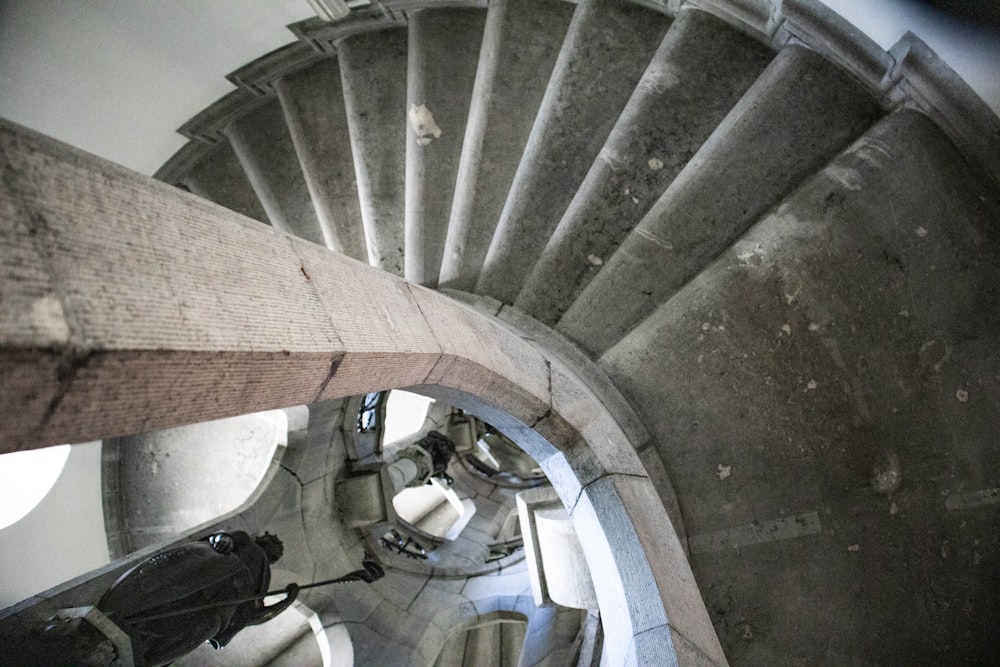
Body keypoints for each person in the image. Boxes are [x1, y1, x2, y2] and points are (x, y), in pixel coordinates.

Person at [97, 531, 297, 667]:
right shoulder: (245, 541)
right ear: (263, 539)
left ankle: (148, 655)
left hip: (220, 608)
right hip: (206, 575)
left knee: (182, 633)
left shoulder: (264, 578)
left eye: (277, 551)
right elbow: (211, 542)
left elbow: (252, 615)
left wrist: (287, 601)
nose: (276, 550)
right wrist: (220, 539)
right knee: (163, 603)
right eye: (275, 544)